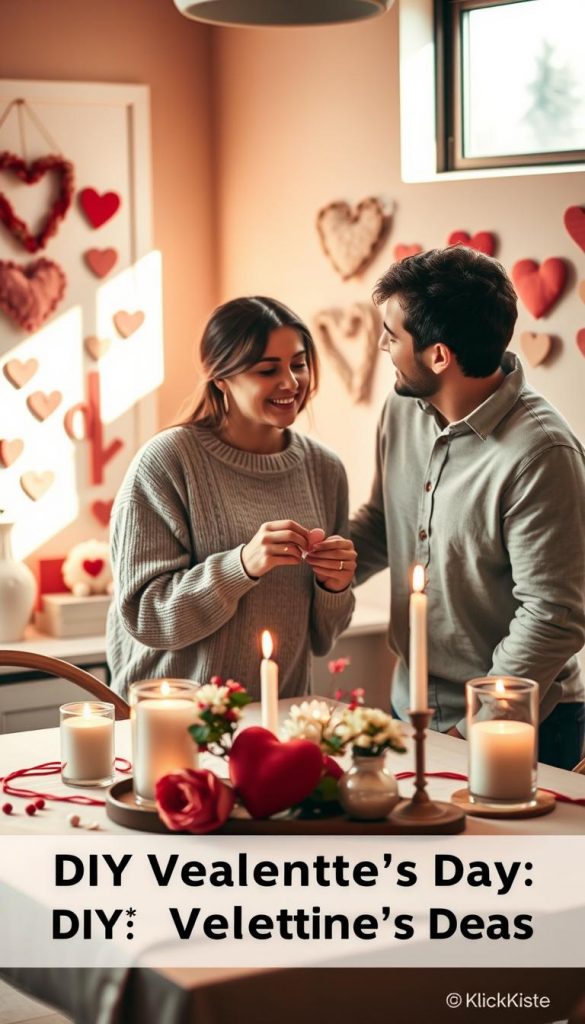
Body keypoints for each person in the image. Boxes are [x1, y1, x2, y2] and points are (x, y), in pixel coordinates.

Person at [348, 246, 585, 769]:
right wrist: (321, 562)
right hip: (407, 706)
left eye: (392, 335)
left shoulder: (542, 453)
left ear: (439, 355)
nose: (384, 345)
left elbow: (553, 615)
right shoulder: (402, 407)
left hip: (519, 729)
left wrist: (478, 722)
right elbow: (386, 522)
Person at [107, 296, 356, 700]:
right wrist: (241, 565)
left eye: (298, 363)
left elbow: (323, 639)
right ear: (220, 377)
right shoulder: (167, 462)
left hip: (280, 717)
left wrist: (335, 587)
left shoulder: (325, 469)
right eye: (267, 369)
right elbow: (146, 616)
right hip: (174, 721)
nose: (291, 383)